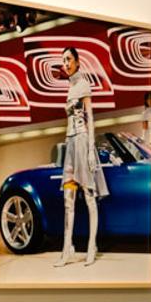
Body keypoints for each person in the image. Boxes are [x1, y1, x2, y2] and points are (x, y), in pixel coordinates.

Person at [54, 46, 108, 266]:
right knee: (68, 199)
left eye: (68, 59)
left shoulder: (84, 84)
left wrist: (90, 150)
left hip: (83, 140)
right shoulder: (69, 87)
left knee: (88, 195)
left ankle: (91, 247)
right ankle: (67, 250)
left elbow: (90, 117)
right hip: (70, 143)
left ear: (77, 61)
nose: (65, 63)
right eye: (63, 60)